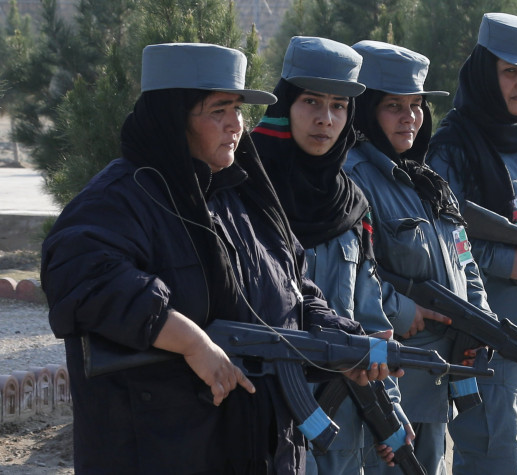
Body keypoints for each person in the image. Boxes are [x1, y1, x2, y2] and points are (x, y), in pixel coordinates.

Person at [40, 42, 391, 474]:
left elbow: (295, 289)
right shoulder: (121, 199)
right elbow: (84, 279)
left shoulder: (243, 197)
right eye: (217, 111)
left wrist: (345, 342)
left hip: (258, 446)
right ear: (173, 117)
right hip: (163, 449)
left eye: (238, 111)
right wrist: (191, 342)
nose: (234, 127)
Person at [251, 36, 412, 474]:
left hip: (341, 418)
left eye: (339, 106)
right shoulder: (244, 189)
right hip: (264, 416)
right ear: (286, 104)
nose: (325, 119)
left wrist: (388, 407)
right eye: (311, 102)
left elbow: (371, 318)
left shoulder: (352, 204)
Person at [346, 40, 494, 474]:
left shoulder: (427, 181)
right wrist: (399, 307)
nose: (409, 116)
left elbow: (464, 257)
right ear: (368, 110)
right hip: (393, 376)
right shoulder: (355, 179)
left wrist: (479, 315)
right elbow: (353, 271)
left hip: (435, 378)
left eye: (416, 105)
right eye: (394, 105)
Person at [426, 13, 517, 474]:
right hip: (486, 345)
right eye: (511, 72)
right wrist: (502, 260)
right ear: (487, 72)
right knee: (495, 461)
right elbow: (441, 242)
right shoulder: (454, 147)